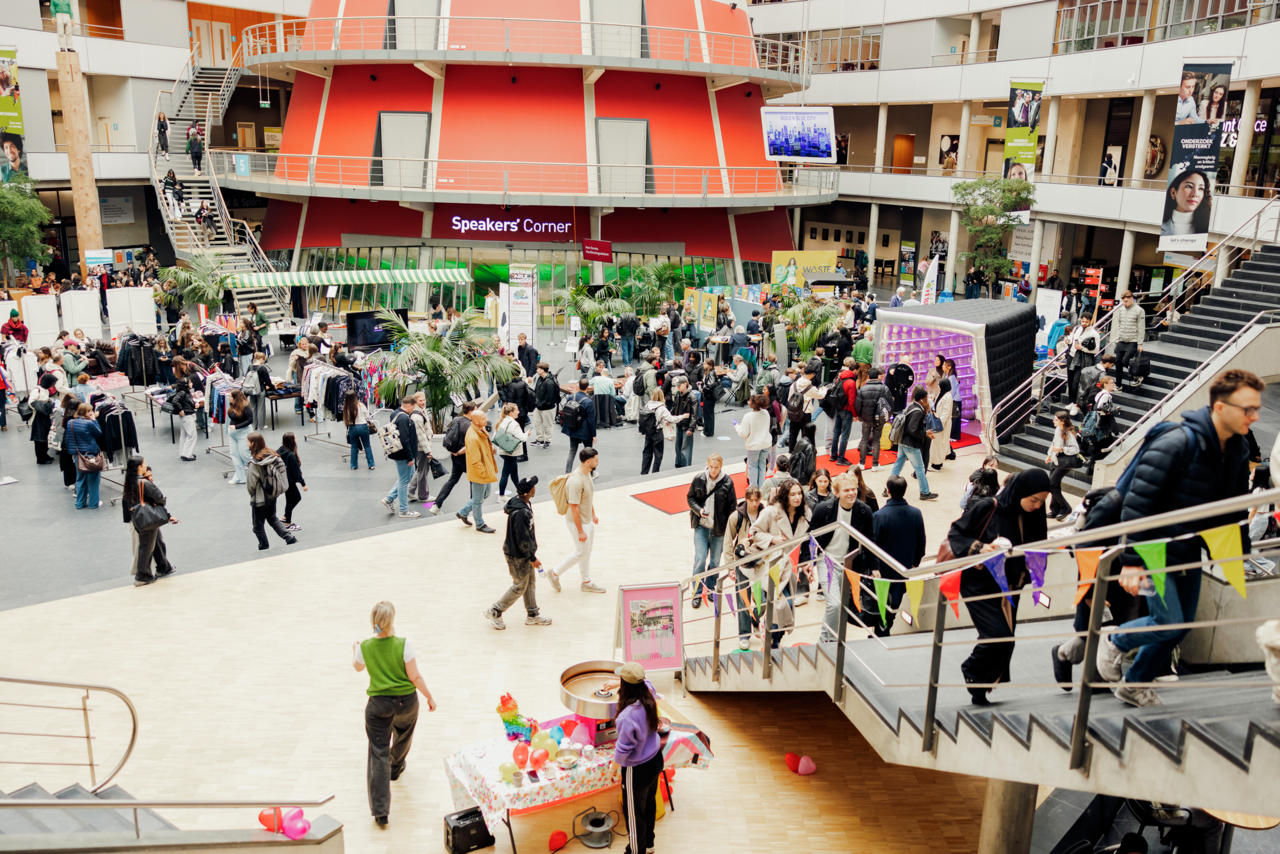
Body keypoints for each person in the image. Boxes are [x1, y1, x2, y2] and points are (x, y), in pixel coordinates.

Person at [1096, 370, 1260, 707]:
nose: (1254, 416)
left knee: (1180, 625)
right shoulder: (1176, 442)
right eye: (1247, 409)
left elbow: (1234, 508)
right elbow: (1137, 503)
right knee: (1167, 620)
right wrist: (1131, 561)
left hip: (1187, 546)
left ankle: (1133, 683)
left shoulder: (1239, 449)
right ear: (1219, 407)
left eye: (1255, 408)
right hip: (1153, 545)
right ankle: (1116, 640)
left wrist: (1239, 552)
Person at [949, 468, 1050, 704]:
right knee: (998, 634)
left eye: (1042, 501)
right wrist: (980, 548)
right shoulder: (988, 507)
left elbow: (1037, 547)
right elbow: (956, 533)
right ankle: (972, 671)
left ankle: (981, 688)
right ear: (1020, 491)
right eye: (1033, 499)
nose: (1037, 505)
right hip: (979, 582)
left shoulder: (1034, 516)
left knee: (1006, 639)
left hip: (1011, 586)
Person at [352, 601, 437, 827]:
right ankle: (396, 767)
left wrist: (355, 650)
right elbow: (415, 677)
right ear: (392, 621)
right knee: (403, 733)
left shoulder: (365, 646)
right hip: (406, 702)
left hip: (377, 706)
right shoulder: (403, 644)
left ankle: (381, 812)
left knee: (378, 753)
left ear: (373, 621)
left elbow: (358, 667)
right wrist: (429, 696)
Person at [807, 472, 875, 635]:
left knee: (839, 605)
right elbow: (811, 536)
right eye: (846, 490)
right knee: (834, 604)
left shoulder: (864, 511)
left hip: (850, 567)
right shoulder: (824, 509)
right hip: (828, 562)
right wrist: (809, 560)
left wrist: (874, 566)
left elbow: (869, 540)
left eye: (854, 489)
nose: (851, 493)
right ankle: (826, 638)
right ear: (837, 493)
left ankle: (830, 638)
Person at [609, 663, 665, 854]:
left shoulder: (626, 717)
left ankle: (635, 851)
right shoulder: (649, 691)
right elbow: (646, 681)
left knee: (634, 816)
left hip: (638, 770)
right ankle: (648, 845)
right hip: (656, 760)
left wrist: (613, 768)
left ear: (624, 686)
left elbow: (623, 748)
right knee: (649, 804)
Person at [748, 478, 810, 648]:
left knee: (784, 607)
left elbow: (805, 544)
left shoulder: (805, 514)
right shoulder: (770, 512)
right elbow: (753, 532)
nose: (797, 497)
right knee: (782, 605)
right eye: (793, 494)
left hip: (790, 569)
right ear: (785, 496)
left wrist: (806, 563)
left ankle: (774, 638)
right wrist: (772, 539)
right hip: (771, 568)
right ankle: (770, 639)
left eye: (799, 493)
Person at [868, 475, 926, 636]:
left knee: (880, 602)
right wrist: (915, 562)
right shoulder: (916, 513)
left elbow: (872, 545)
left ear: (888, 491)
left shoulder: (879, 516)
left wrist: (870, 566)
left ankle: (881, 630)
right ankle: (884, 628)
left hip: (882, 570)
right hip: (904, 568)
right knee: (894, 602)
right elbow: (921, 540)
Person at [549, 447, 606, 594]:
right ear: (588, 462)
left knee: (587, 551)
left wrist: (593, 513)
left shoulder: (587, 474)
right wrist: (580, 530)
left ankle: (586, 581)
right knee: (581, 552)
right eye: (596, 460)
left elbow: (587, 497)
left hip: (587, 520)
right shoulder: (575, 481)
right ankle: (554, 573)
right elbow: (574, 507)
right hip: (578, 522)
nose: (598, 462)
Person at [687, 453, 737, 607]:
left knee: (715, 561)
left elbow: (732, 507)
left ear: (721, 467)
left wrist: (729, 529)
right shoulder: (699, 479)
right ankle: (696, 592)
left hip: (718, 530)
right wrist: (699, 511)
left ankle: (709, 588)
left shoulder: (727, 482)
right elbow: (690, 498)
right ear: (707, 465)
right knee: (700, 559)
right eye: (711, 467)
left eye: (716, 467)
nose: (713, 470)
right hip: (701, 527)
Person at [123, 455, 176, 586]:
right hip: (148, 518)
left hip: (138, 517)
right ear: (140, 467)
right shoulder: (144, 482)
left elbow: (126, 501)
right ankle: (142, 576)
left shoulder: (129, 481)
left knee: (156, 541)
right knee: (146, 546)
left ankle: (163, 567)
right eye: (144, 463)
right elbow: (160, 498)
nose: (146, 465)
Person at [722, 486, 764, 649]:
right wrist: (730, 567)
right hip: (742, 562)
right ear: (746, 499)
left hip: (761, 561)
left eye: (757, 500)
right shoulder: (736, 517)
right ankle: (744, 634)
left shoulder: (765, 514)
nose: (754, 503)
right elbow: (728, 542)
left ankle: (756, 620)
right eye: (751, 500)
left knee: (762, 596)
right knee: (742, 597)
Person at [245, 432, 297, 549]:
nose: (247, 444)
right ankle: (290, 538)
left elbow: (251, 485)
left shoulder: (255, 463)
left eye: (248, 442)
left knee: (257, 526)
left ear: (252, 444)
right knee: (272, 518)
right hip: (272, 494)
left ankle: (264, 547)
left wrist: (252, 494)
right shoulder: (272, 455)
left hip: (260, 498)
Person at [889, 386, 939, 500]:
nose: (927, 399)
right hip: (910, 443)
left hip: (902, 440)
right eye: (926, 398)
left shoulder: (911, 406)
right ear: (922, 399)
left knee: (898, 464)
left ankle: (888, 488)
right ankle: (924, 492)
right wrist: (925, 433)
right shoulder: (918, 411)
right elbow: (913, 430)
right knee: (920, 468)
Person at [428, 401, 478, 514]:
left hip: (455, 458)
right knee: (474, 482)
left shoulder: (456, 420)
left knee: (452, 480)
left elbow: (449, 437)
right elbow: (470, 444)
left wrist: (453, 452)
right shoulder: (469, 426)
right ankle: (471, 509)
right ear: (471, 411)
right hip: (465, 457)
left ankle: (437, 505)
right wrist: (459, 453)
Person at [455, 408, 498, 533]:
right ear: (476, 421)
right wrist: (483, 474)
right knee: (478, 500)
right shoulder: (473, 437)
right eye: (483, 418)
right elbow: (475, 461)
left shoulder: (480, 429)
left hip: (486, 469)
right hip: (480, 473)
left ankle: (463, 512)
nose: (487, 419)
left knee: (485, 494)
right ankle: (479, 524)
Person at [379, 396, 421, 520]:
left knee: (407, 476)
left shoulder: (396, 413)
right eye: (413, 407)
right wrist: (410, 457)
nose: (413, 410)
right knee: (404, 480)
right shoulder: (403, 418)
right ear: (409, 406)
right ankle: (403, 510)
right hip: (403, 454)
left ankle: (389, 498)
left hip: (400, 453)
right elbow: (404, 439)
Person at [639, 389, 686, 475]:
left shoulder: (647, 405)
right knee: (658, 454)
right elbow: (672, 419)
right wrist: (683, 416)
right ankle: (655, 473)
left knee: (647, 453)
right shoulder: (661, 408)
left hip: (648, 432)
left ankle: (644, 473)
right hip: (657, 432)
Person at [65, 402, 103, 508]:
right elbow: (99, 433)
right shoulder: (89, 423)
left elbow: (70, 440)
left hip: (78, 455)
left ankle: (79, 503)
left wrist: (73, 453)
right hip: (90, 454)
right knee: (93, 480)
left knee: (80, 479)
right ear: (85, 412)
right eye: (90, 411)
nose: (92, 412)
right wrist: (94, 420)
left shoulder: (70, 422)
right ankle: (93, 503)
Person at [854, 366, 891, 470]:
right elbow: (890, 405)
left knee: (864, 439)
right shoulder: (884, 388)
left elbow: (857, 405)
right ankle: (875, 464)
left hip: (866, 419)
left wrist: (860, 417)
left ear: (869, 376)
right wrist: (886, 418)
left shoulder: (863, 388)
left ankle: (861, 463)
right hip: (879, 420)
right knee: (876, 441)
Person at [1045, 410, 1080, 520]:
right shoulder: (1057, 430)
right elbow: (1053, 443)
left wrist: (1062, 449)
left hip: (1064, 463)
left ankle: (1066, 508)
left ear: (1063, 421)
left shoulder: (1069, 433)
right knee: (1055, 486)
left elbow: (1075, 449)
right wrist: (1050, 455)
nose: (1053, 421)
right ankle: (1055, 509)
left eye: (1056, 419)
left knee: (1050, 485)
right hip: (1055, 461)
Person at [1160, 168, 1212, 238]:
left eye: (1201, 189)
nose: (1195, 194)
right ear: (1173, 193)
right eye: (1189, 186)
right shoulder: (1160, 223)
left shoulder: (1207, 228)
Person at [561, 378, 597, 474]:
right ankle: (590, 472)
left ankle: (567, 472)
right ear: (587, 387)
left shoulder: (571, 397)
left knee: (572, 450)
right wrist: (594, 435)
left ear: (578, 386)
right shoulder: (588, 402)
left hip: (572, 428)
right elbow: (591, 420)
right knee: (589, 452)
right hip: (584, 430)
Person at [736, 394, 772, 489]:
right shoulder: (766, 413)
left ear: (752, 404)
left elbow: (743, 433)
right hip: (766, 443)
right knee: (762, 465)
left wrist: (737, 426)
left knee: (752, 466)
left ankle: (753, 488)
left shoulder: (748, 416)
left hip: (753, 445)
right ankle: (761, 488)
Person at [494, 402, 528, 498]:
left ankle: (519, 492)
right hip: (511, 452)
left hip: (503, 450)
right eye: (517, 410)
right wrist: (527, 434)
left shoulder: (502, 421)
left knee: (514, 472)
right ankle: (501, 496)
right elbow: (523, 438)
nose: (518, 412)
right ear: (511, 412)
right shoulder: (514, 424)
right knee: (505, 474)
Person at [407, 391, 434, 506]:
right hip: (421, 448)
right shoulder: (417, 416)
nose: (423, 402)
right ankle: (423, 495)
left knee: (421, 470)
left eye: (424, 400)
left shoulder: (419, 412)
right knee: (423, 472)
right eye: (420, 401)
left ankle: (411, 490)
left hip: (422, 447)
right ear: (415, 401)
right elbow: (421, 436)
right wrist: (428, 450)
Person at [1067, 315, 1100, 404]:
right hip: (1072, 355)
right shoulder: (1077, 328)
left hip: (1083, 358)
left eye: (1086, 321)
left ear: (1090, 321)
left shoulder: (1094, 333)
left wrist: (1081, 348)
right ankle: (1071, 402)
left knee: (1076, 381)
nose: (1084, 323)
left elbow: (1096, 349)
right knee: (1070, 380)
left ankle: (1076, 403)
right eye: (1083, 321)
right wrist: (1069, 340)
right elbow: (1072, 337)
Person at [277, 432, 306, 531]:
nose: (296, 439)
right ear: (291, 441)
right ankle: (288, 524)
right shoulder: (291, 455)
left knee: (297, 498)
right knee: (290, 502)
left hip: (284, 480)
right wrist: (303, 483)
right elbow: (296, 470)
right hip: (289, 481)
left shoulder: (280, 450)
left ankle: (285, 517)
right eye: (295, 438)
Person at [669, 377, 699, 468]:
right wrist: (670, 417)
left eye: (679, 385)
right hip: (679, 424)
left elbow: (695, 415)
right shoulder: (678, 394)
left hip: (686, 426)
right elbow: (674, 407)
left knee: (686, 449)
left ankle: (686, 468)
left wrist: (691, 428)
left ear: (685, 383)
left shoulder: (692, 397)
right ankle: (678, 465)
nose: (678, 387)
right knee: (678, 447)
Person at [343, 390, 375, 471]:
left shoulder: (346, 407)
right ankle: (371, 465)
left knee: (354, 447)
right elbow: (367, 416)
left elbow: (346, 419)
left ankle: (353, 466)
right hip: (363, 426)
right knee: (367, 446)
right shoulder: (361, 405)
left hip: (352, 428)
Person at [227, 390, 253, 485]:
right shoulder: (232, 405)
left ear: (236, 398)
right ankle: (239, 478)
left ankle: (259, 472)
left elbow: (250, 420)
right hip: (233, 434)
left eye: (230, 396)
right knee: (235, 455)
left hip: (243, 433)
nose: (228, 397)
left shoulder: (246, 405)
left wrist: (236, 427)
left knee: (245, 455)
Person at [169, 376, 198, 461]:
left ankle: (183, 452)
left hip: (185, 416)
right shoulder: (183, 393)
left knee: (184, 435)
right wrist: (180, 409)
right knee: (192, 435)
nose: (192, 383)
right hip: (187, 416)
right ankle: (187, 454)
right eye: (190, 382)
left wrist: (193, 405)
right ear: (186, 384)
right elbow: (175, 401)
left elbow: (186, 402)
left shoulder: (185, 392)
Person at [928, 378, 954, 470]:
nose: (938, 386)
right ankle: (938, 462)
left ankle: (937, 465)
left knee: (938, 443)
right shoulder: (942, 394)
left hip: (942, 423)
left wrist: (938, 424)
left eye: (939, 385)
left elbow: (945, 413)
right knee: (937, 443)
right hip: (938, 421)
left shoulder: (948, 397)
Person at [245, 351, 274, 430]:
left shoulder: (250, 367)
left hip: (251, 389)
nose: (264, 361)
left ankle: (254, 425)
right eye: (263, 360)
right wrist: (273, 387)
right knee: (261, 407)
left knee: (253, 406)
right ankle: (261, 425)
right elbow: (267, 381)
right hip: (260, 389)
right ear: (261, 359)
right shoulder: (263, 368)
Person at [532, 362, 558, 448]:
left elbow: (549, 398)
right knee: (537, 423)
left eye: (538, 369)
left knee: (547, 425)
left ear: (542, 370)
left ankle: (547, 440)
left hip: (547, 408)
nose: (536, 370)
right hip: (538, 406)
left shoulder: (550, 382)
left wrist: (539, 404)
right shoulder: (540, 378)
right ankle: (540, 439)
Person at [790, 421, 817, 488]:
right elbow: (810, 467)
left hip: (795, 473)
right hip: (804, 479)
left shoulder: (800, 441)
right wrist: (811, 481)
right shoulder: (810, 447)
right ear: (813, 431)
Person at [700, 357, 720, 437]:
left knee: (708, 415)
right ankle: (707, 430)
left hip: (709, 396)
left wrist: (703, 389)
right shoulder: (709, 372)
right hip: (708, 396)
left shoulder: (710, 373)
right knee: (708, 414)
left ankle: (708, 432)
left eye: (705, 363)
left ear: (709, 365)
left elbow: (711, 384)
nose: (703, 364)